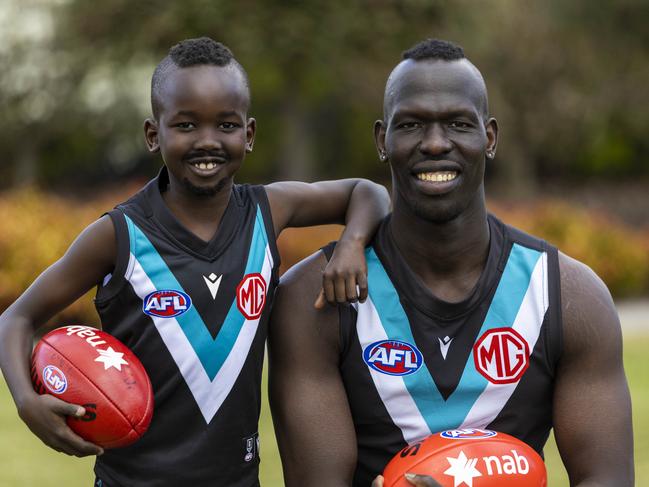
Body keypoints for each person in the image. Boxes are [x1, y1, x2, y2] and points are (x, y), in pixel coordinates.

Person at [0, 37, 390, 487]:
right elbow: (16, 318)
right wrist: (28, 403)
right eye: (185, 126)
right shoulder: (119, 235)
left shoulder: (270, 211)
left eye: (226, 125)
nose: (208, 142)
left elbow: (368, 192)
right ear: (153, 134)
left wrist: (352, 244)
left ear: (249, 133)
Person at [269, 39, 634, 487]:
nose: (436, 143)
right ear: (383, 140)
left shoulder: (569, 297)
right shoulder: (316, 298)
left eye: (459, 123)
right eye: (412, 125)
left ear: (490, 137)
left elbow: (607, 478)